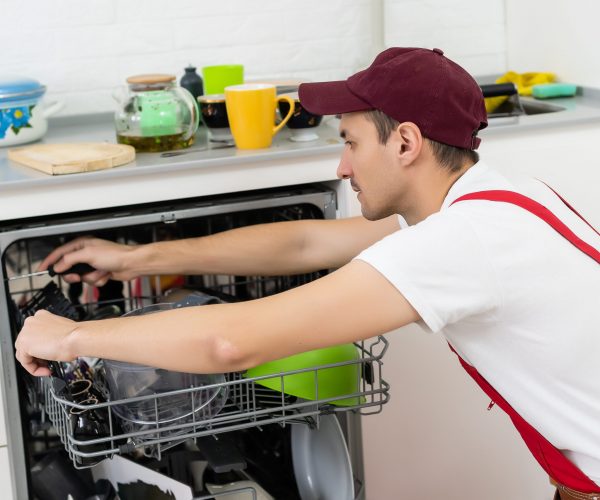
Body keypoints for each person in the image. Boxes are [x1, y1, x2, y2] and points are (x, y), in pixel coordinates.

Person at [14, 47, 600, 499]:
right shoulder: (496, 200)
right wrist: (138, 257)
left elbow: (227, 340)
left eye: (350, 142)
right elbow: (305, 240)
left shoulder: (458, 242)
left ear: (406, 142)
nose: (342, 166)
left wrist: (68, 336)